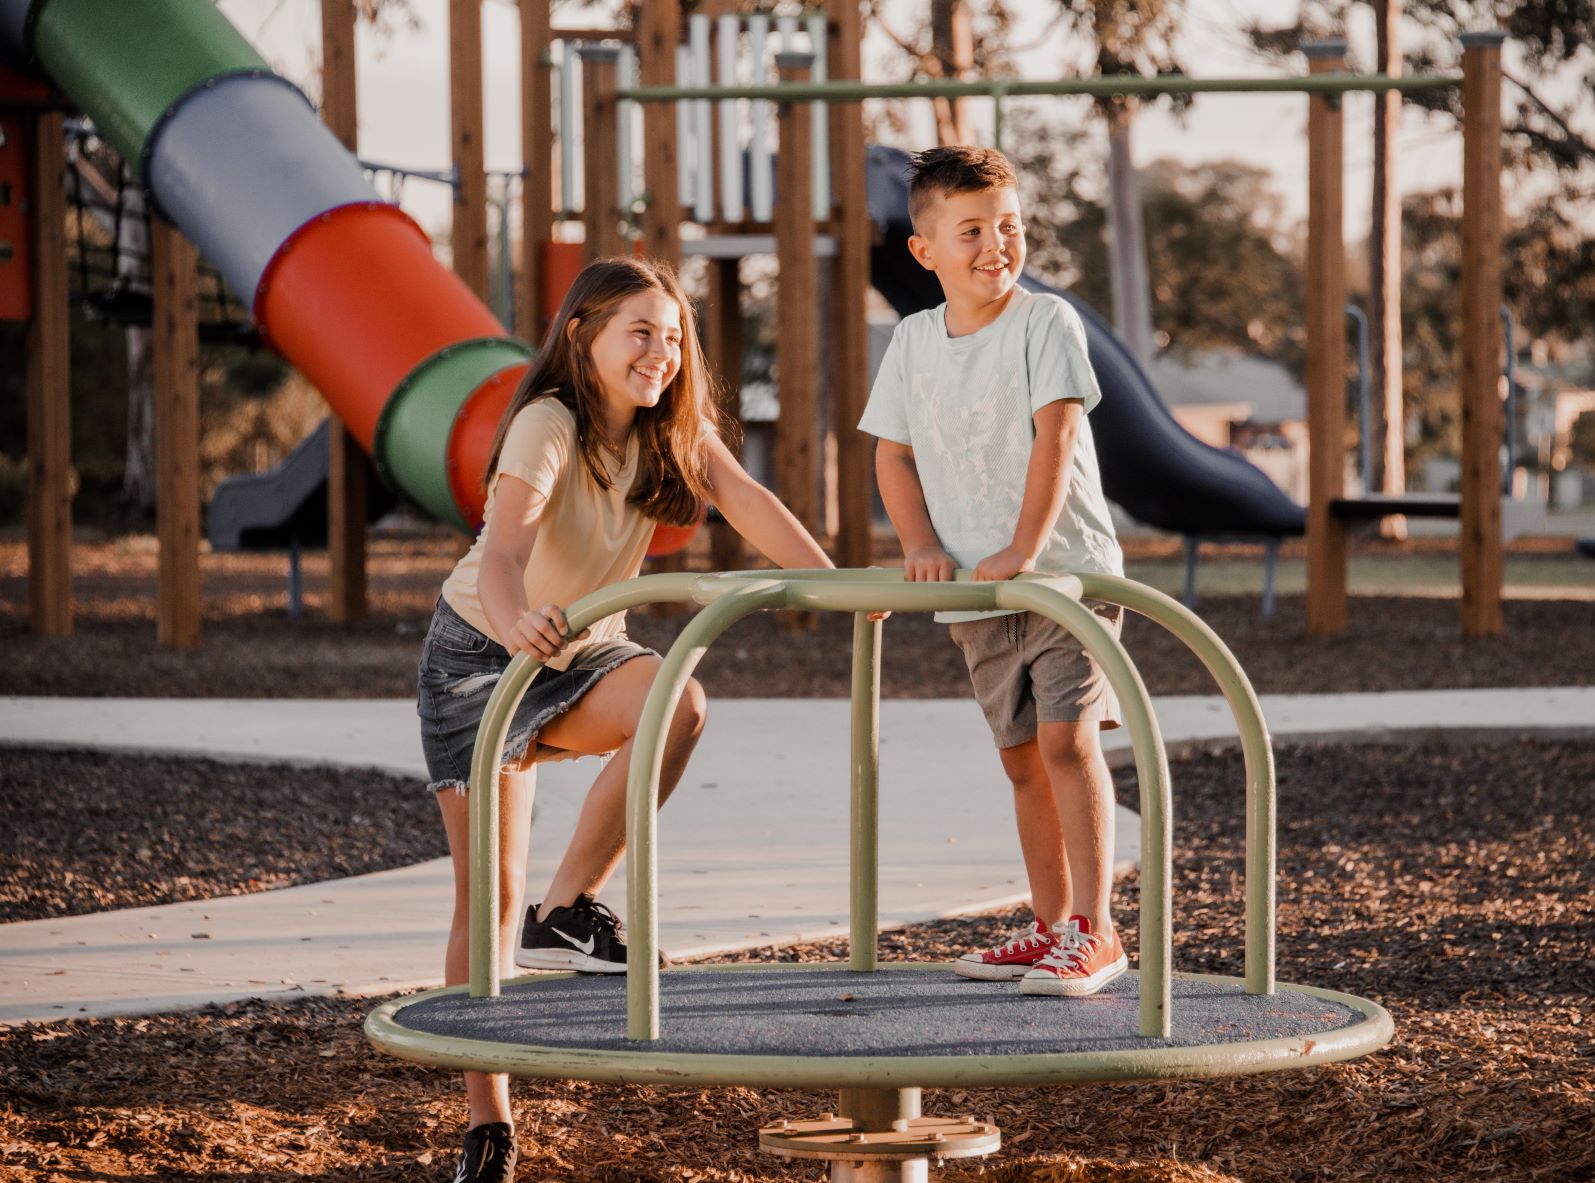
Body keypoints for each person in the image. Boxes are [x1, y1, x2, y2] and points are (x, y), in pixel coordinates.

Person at [416, 256, 831, 1183]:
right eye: (640, 332)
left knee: (677, 701)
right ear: (583, 335)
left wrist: (837, 582)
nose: (662, 352)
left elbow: (747, 497)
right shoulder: (546, 422)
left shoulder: (668, 432)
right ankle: (488, 1123)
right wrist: (519, 613)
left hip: (582, 648)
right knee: (483, 900)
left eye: (675, 335)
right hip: (484, 655)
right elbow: (505, 547)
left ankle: (564, 909)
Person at [859, 145, 1128, 999]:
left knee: (1065, 739)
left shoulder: (1044, 323)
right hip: (976, 591)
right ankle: (1050, 927)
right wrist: (920, 545)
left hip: (1062, 579)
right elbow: (892, 457)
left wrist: (1023, 547)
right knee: (1019, 758)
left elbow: (1055, 436)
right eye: (971, 229)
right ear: (924, 249)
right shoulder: (910, 342)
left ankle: (1095, 928)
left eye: (1008, 226)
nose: (995, 245)